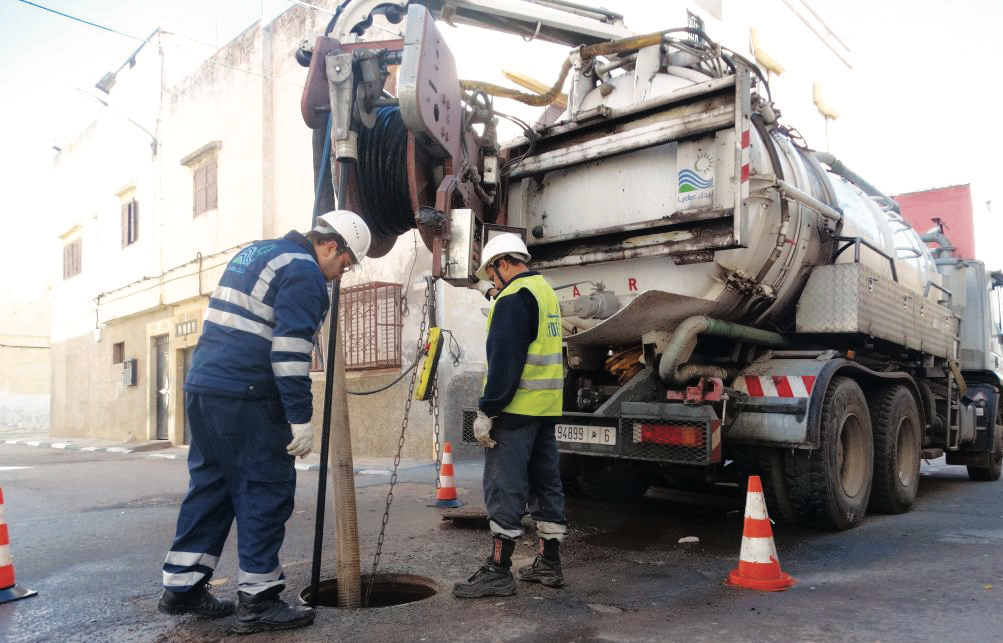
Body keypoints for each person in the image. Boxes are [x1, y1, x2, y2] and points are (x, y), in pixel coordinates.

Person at [158, 210, 371, 633]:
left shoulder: (256, 252)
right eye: (344, 264)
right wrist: (299, 417)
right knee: (264, 490)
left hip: (203, 389)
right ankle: (258, 601)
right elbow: (289, 349)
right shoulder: (305, 272)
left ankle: (182, 587)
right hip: (248, 397)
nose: (339, 275)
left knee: (211, 489)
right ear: (331, 247)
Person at [453, 233, 568, 599]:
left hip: (514, 411)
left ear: (502, 264)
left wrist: (488, 409)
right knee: (546, 485)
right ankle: (549, 562)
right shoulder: (544, 292)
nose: (492, 283)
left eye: (492, 274)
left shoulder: (513, 299)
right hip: (545, 410)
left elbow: (505, 360)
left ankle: (499, 570)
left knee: (505, 487)